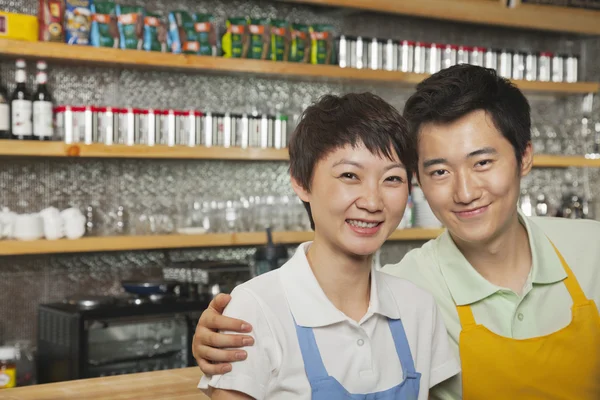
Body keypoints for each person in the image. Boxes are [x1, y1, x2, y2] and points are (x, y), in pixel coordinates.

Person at [193, 65, 600, 399]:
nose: (464, 191)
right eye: (439, 170)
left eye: (482, 163)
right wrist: (224, 329)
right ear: (420, 180)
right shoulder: (409, 287)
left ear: (524, 157)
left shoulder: (592, 250)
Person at [196, 92, 461, 400]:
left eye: (392, 179)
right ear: (301, 181)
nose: (373, 202)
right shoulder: (254, 310)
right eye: (350, 175)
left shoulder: (418, 307)